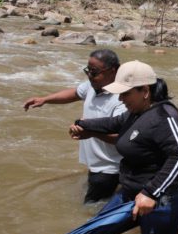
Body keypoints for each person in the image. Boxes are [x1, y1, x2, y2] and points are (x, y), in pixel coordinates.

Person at [68, 60, 178, 234]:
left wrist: (151, 194)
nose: (121, 99)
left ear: (145, 91)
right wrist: (82, 124)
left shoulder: (165, 116)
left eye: (125, 93)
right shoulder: (136, 112)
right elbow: (112, 123)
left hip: (161, 202)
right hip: (129, 194)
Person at [23, 49, 125, 203]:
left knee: (90, 210)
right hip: (96, 164)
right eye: (88, 71)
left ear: (113, 71)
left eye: (95, 72)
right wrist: (45, 99)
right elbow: (75, 93)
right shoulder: (93, 85)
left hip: (110, 168)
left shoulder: (122, 100)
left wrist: (90, 133)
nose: (90, 76)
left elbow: (120, 138)